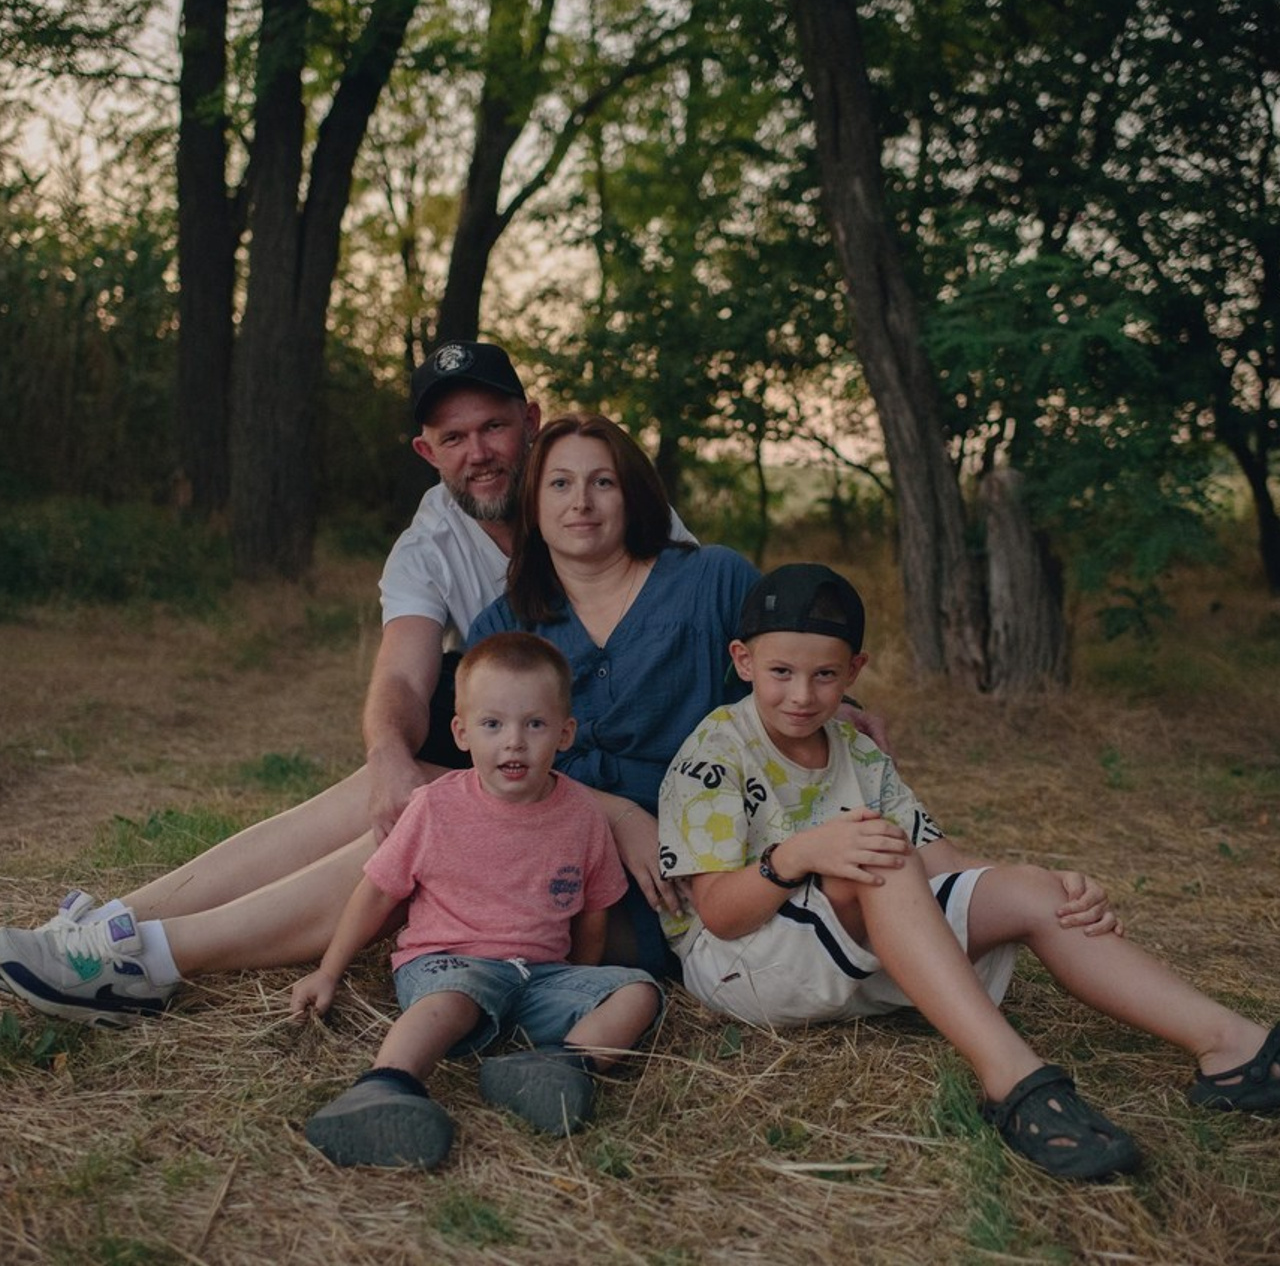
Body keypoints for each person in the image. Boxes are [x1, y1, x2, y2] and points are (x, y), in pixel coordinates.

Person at [0, 341, 684, 1026]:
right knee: (397, 791)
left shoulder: (601, 501)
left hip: (593, 797)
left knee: (437, 827)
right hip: (535, 763)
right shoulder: (435, 538)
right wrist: (388, 757)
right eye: (454, 437)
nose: (479, 452)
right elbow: (403, 674)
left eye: (494, 427)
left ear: (530, 420)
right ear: (427, 452)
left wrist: (627, 812)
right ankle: (111, 929)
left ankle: (150, 959)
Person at [657, 563, 1280, 1181]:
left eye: (824, 675)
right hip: (741, 961)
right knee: (880, 852)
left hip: (852, 942)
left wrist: (1050, 880)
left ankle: (1235, 1050)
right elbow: (718, 914)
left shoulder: (858, 750)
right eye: (781, 673)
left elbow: (944, 859)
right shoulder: (717, 749)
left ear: (855, 671)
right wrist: (795, 855)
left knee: (1028, 890)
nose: (802, 695)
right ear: (743, 661)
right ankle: (1011, 1078)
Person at [290, 632, 661, 1170]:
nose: (514, 742)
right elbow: (377, 891)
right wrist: (328, 971)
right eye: (493, 725)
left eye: (534, 724)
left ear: (565, 733)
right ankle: (386, 1085)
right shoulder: (435, 807)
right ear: (461, 733)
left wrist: (577, 982)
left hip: (539, 977)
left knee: (637, 990)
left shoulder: (584, 816)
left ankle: (559, 1067)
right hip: (449, 964)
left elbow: (593, 914)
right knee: (453, 998)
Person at [464, 412, 762, 969]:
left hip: (707, 850)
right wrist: (617, 815)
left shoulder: (712, 581)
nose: (581, 502)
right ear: (531, 503)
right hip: (556, 846)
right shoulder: (503, 630)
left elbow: (792, 668)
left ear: (633, 495)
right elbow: (491, 771)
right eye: (560, 483)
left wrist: (844, 706)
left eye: (603, 482)